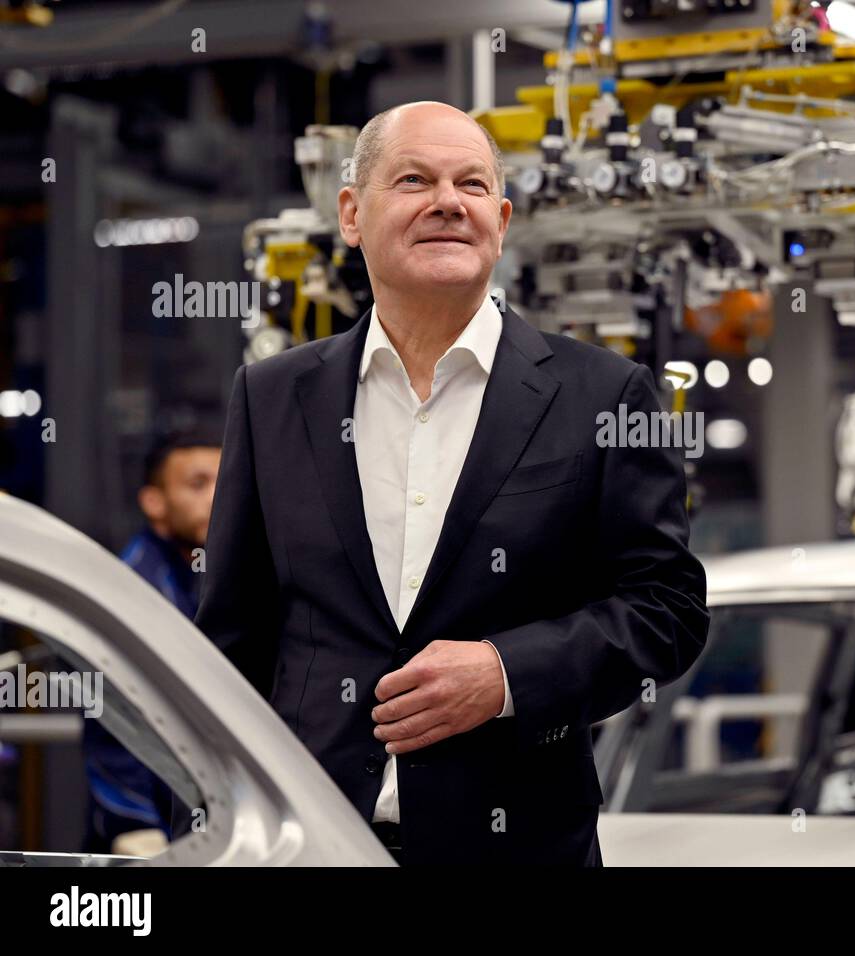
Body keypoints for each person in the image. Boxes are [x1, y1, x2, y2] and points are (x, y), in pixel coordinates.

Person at [186, 101, 710, 865]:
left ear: (499, 222)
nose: (446, 201)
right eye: (413, 179)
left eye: (470, 184)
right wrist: (201, 822)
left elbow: (665, 610)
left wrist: (504, 673)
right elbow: (232, 642)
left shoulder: (604, 395)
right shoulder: (273, 397)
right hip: (313, 845)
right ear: (351, 214)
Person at [84, 429, 220, 855]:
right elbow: (111, 719)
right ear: (154, 503)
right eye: (197, 484)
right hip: (155, 829)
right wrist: (134, 824)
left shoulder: (213, 571)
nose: (216, 497)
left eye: (224, 481)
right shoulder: (133, 585)